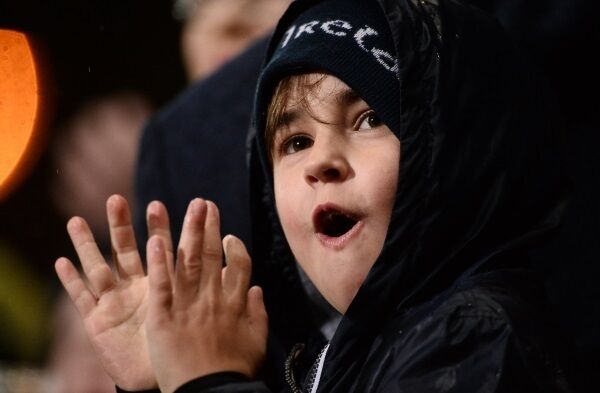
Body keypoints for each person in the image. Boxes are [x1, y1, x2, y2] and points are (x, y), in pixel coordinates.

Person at [55, 0, 573, 392]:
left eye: (369, 118)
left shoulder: (473, 333)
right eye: (295, 141)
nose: (321, 162)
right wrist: (158, 382)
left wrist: (211, 381)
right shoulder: (341, 351)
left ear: (453, 149)